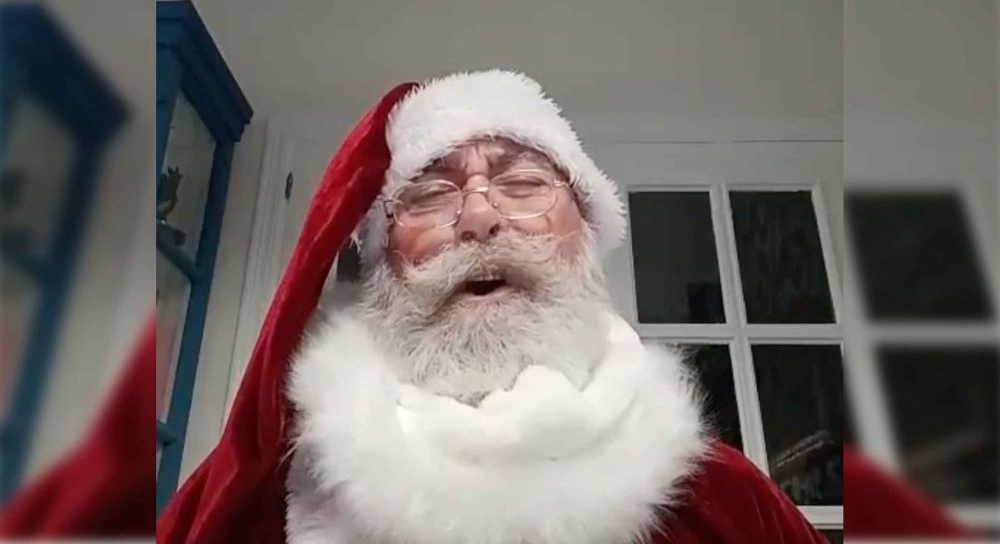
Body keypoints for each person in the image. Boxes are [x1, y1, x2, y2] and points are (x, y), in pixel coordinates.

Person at [157, 71, 827, 543]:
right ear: (385, 261)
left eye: (524, 182)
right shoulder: (249, 504)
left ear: (585, 237)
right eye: (430, 195)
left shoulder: (728, 505)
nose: (479, 217)